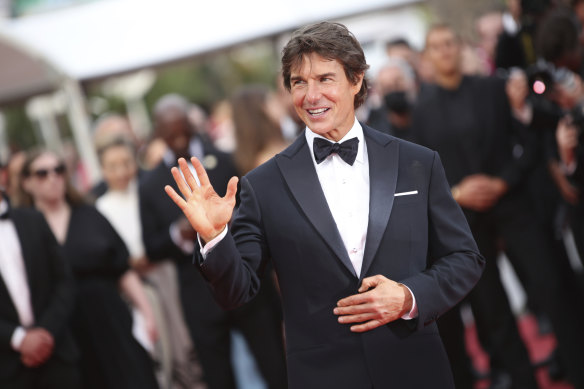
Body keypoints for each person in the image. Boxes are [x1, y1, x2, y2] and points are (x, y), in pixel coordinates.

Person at [165, 22, 484, 389]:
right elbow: (237, 292)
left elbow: (465, 259)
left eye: (325, 79)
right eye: (299, 82)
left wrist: (408, 296)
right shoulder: (263, 185)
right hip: (324, 376)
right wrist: (215, 237)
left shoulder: (416, 162)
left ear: (356, 80)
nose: (310, 95)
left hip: (415, 367)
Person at [412, 24, 584, 389]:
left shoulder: (493, 89)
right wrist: (457, 192)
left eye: (449, 43)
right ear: (427, 57)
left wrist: (502, 181)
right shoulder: (420, 112)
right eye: (435, 46)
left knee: (552, 288)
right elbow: (419, 173)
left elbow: (528, 142)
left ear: (460, 48)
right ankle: (524, 382)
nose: (444, 51)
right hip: (465, 222)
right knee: (493, 312)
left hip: (515, 205)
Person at [139, 94, 288, 389]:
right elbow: (152, 246)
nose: (179, 136)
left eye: (183, 127)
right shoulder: (150, 184)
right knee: (218, 378)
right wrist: (178, 235)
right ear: (158, 131)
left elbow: (253, 212)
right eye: (170, 131)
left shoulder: (226, 159)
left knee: (276, 369)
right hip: (198, 295)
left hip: (248, 282)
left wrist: (226, 222)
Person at [19, 149, 159, 389]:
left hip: (111, 321)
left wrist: (147, 314)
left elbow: (122, 269)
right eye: (42, 173)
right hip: (65, 335)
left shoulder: (90, 214)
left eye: (58, 170)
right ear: (27, 182)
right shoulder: (23, 231)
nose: (53, 177)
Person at [95, 134, 206, 389]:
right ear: (102, 170)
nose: (121, 171)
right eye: (113, 166)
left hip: (168, 274)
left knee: (187, 342)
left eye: (126, 162)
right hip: (137, 288)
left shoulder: (151, 190)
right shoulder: (100, 207)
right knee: (159, 349)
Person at [0, 158, 80, 389]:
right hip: (7, 369)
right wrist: (18, 339)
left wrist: (45, 332)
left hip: (58, 355)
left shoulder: (33, 220)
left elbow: (64, 280)